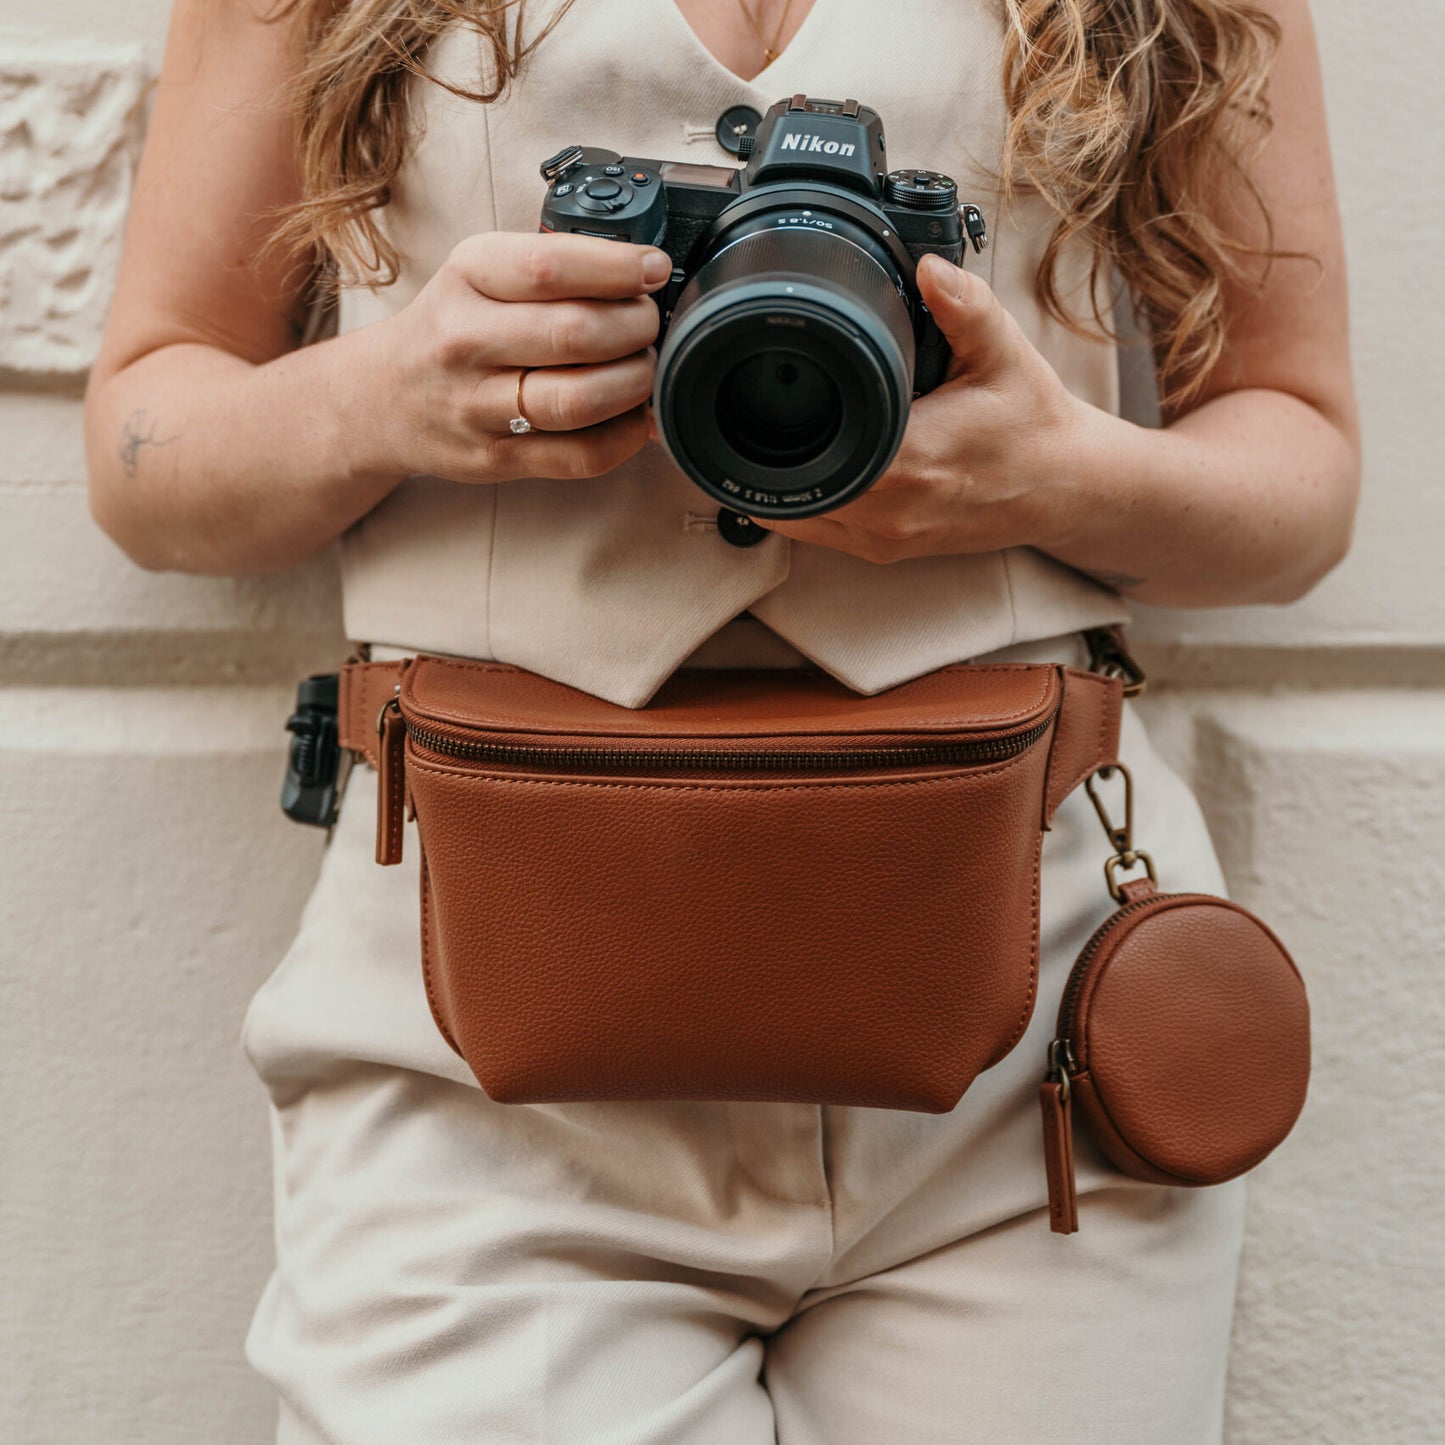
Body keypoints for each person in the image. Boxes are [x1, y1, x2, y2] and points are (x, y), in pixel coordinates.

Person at [83, 0, 1359, 1439]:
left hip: (1030, 1056)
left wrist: (1056, 475)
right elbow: (148, 448)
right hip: (476, 1051)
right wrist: (390, 391)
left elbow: (1297, 471)